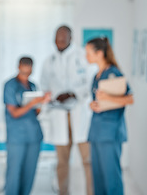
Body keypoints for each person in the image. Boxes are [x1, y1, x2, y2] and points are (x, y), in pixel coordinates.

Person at [40, 25, 93, 195]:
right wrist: (55, 95)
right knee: (62, 162)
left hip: (79, 113)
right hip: (59, 115)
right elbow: (44, 86)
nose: (60, 41)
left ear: (71, 38)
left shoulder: (82, 57)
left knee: (87, 160)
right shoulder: (49, 61)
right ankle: (64, 192)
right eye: (57, 37)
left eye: (63, 37)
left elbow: (89, 83)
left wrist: (72, 93)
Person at [85, 37, 133, 195]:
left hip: (110, 134)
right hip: (97, 133)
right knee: (98, 179)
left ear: (99, 53)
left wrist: (107, 98)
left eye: (88, 53)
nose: (86, 56)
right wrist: (94, 105)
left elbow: (129, 98)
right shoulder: (96, 76)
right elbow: (98, 101)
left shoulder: (114, 73)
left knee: (111, 178)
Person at [3, 57, 50, 195]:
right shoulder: (10, 85)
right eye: (24, 68)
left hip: (34, 136)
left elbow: (36, 112)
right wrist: (32, 102)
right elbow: (15, 113)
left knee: (29, 173)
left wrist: (42, 102)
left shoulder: (33, 86)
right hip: (17, 137)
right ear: (18, 67)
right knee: (14, 173)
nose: (26, 72)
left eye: (29, 69)